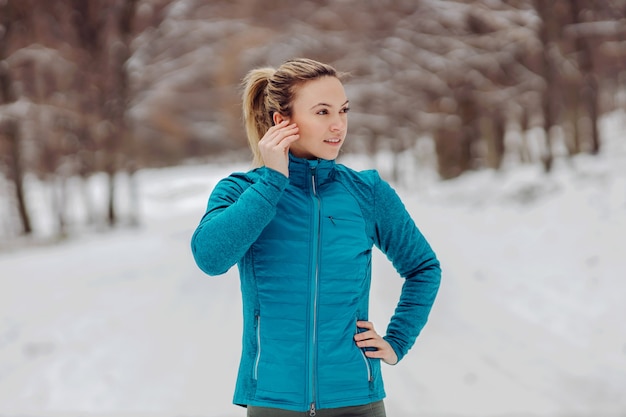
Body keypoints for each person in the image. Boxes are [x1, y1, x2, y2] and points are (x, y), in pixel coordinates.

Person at [191, 58, 441, 417]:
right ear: (283, 122)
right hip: (273, 402)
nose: (338, 125)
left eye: (343, 110)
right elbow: (210, 259)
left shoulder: (366, 192)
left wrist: (396, 341)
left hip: (356, 400)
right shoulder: (241, 191)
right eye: (322, 112)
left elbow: (423, 267)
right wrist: (273, 182)